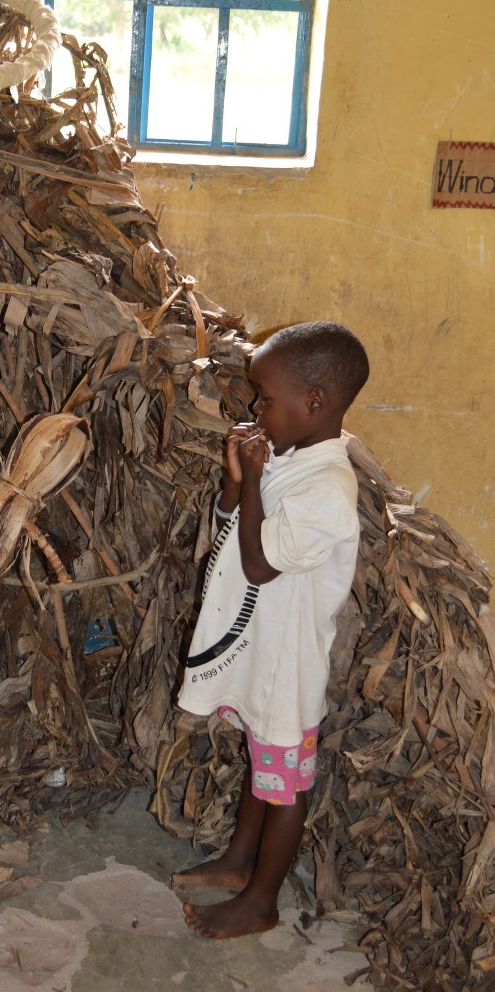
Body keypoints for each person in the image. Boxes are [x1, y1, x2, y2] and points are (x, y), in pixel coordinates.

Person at [172, 321, 369, 939]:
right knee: (263, 763)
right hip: (262, 650)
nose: (256, 408)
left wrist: (254, 479)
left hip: (288, 665)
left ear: (314, 401)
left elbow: (260, 562)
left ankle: (261, 902)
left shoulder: (329, 489)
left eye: (266, 398)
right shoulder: (291, 457)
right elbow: (234, 529)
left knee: (283, 787)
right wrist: (237, 481)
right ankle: (238, 862)